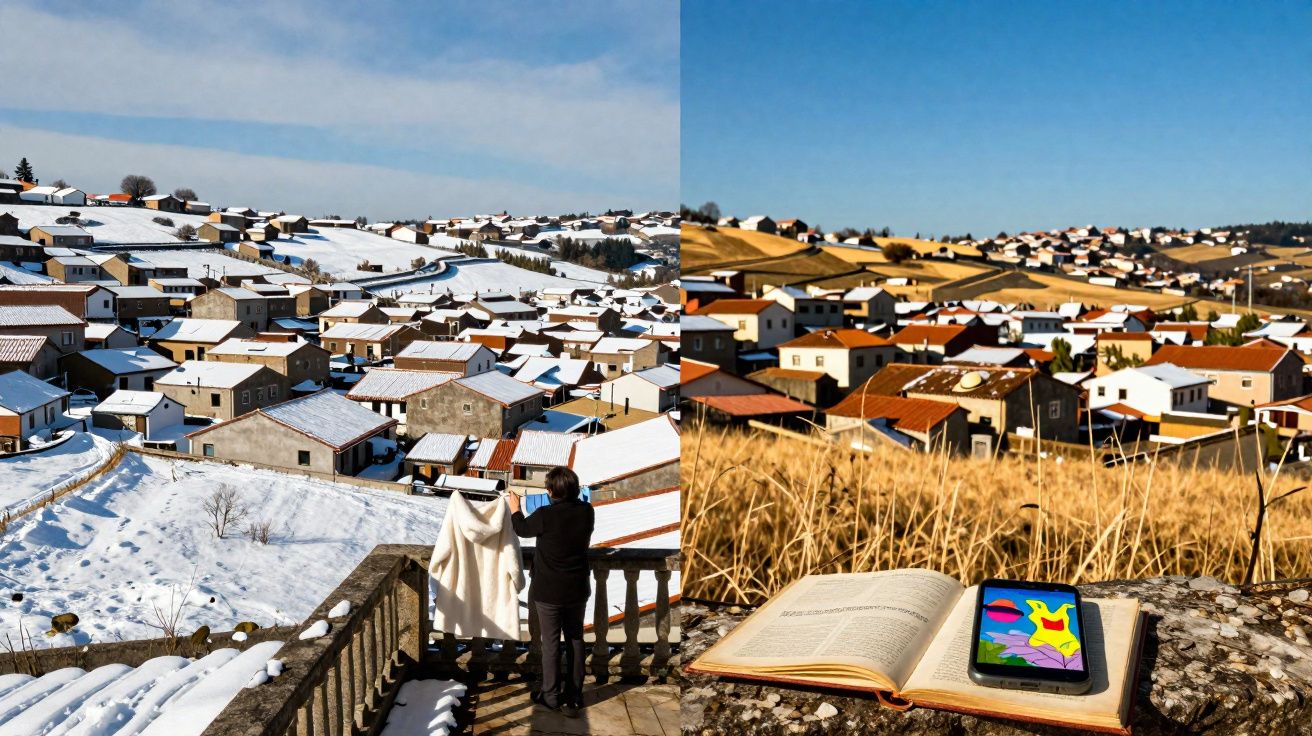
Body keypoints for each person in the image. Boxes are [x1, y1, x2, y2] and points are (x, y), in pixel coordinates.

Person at [508, 466, 595, 717]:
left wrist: (515, 508)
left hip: (548, 591)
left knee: (552, 644)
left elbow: (522, 529)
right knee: (576, 640)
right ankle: (575, 697)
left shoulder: (545, 514)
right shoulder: (586, 512)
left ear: (549, 492)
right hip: (577, 588)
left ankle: (551, 696)